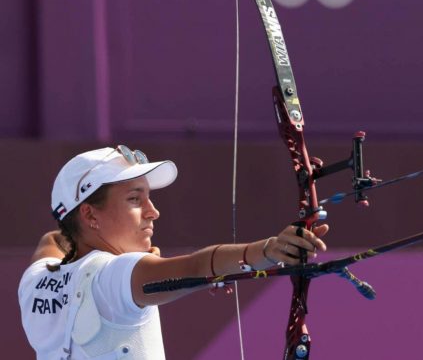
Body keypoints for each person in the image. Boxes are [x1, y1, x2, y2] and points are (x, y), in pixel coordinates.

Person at [18, 146, 328, 359]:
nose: (153, 212)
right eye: (135, 200)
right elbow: (195, 267)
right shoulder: (115, 275)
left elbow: (54, 238)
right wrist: (269, 250)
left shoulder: (37, 279)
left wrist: (128, 253)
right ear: (89, 215)